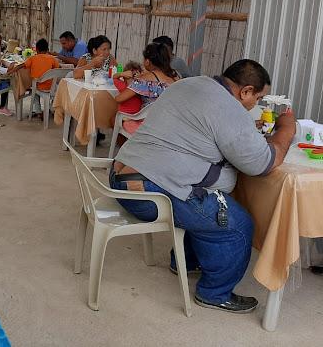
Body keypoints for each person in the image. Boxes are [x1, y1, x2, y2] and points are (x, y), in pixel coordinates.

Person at [109, 59, 296, 314]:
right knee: (237, 225)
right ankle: (214, 293)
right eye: (258, 98)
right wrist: (286, 129)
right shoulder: (229, 107)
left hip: (123, 177)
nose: (255, 105)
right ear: (246, 91)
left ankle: (187, 262)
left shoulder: (191, 84)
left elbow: (200, 130)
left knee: (203, 204)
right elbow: (261, 163)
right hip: (147, 193)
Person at [114, 42, 179, 111]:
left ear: (147, 62)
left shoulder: (144, 80)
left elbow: (119, 99)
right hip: (170, 119)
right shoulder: (175, 77)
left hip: (148, 119)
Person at [7, 39, 60, 120]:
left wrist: (8, 72)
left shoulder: (33, 58)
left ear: (37, 49)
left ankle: (38, 112)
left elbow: (21, 66)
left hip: (38, 86)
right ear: (47, 50)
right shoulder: (52, 59)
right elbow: (59, 69)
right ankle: (50, 109)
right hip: (50, 87)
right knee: (59, 91)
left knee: (34, 92)